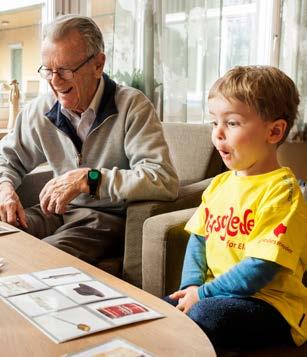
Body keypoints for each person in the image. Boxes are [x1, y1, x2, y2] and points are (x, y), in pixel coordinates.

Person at [0, 15, 178, 267]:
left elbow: (162, 179)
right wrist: (4, 188)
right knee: (7, 238)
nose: (54, 81)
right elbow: (7, 159)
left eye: (65, 70)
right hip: (57, 211)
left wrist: (89, 179)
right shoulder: (41, 111)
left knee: (43, 260)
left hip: (104, 220)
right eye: (48, 71)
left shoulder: (132, 107)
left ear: (98, 65)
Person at [166, 65, 307, 351]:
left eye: (231, 123)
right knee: (161, 310)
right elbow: (199, 239)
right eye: (213, 123)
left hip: (271, 306)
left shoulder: (283, 191)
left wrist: (203, 294)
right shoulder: (219, 184)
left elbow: (261, 267)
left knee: (204, 315)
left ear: (274, 131)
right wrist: (191, 288)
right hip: (216, 295)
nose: (217, 134)